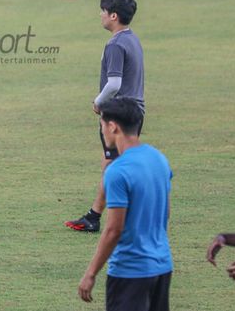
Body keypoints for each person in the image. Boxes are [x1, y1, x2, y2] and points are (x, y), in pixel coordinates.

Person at [78, 97, 173, 311]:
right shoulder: (159, 159)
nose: (102, 131)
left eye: (102, 125)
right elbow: (165, 213)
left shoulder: (117, 171)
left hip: (130, 271)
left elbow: (113, 229)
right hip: (162, 266)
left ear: (113, 127)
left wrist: (90, 273)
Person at [66, 0, 144, 233]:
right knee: (113, 162)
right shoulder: (132, 39)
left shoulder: (116, 45)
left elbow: (114, 84)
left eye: (103, 11)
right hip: (135, 110)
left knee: (114, 166)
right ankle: (94, 215)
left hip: (119, 113)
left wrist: (98, 102)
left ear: (113, 15)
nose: (100, 15)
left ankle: (106, 217)